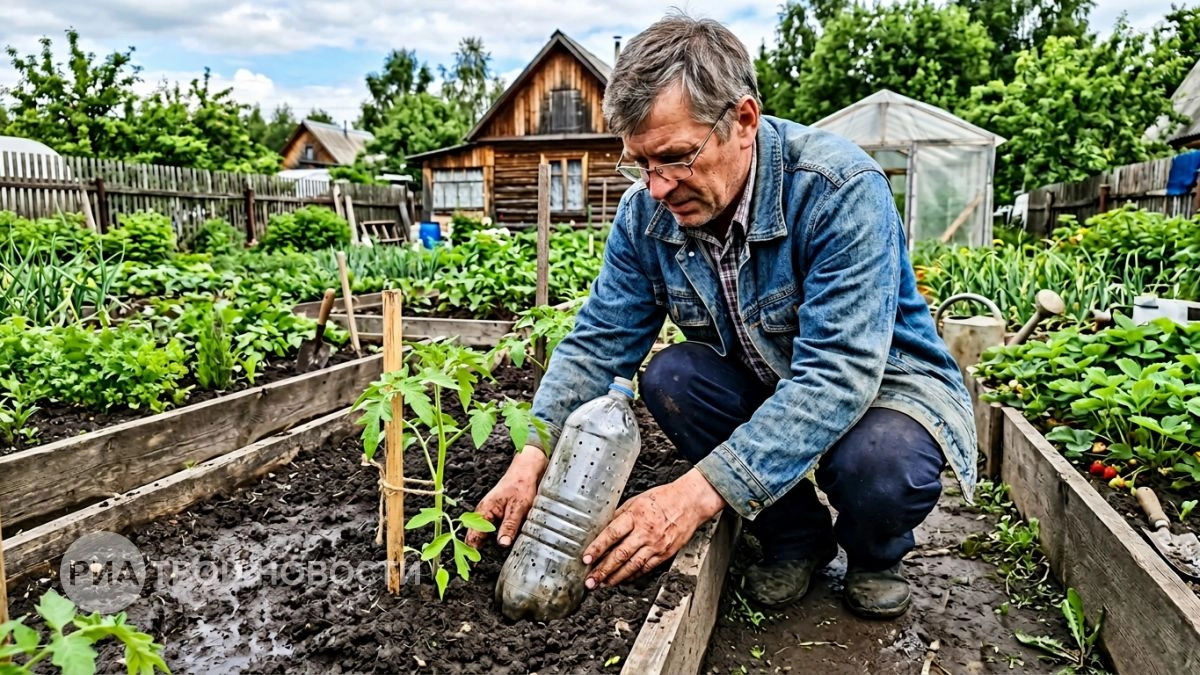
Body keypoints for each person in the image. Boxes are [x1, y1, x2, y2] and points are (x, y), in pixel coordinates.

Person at [464, 12, 978, 620]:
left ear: (744, 121)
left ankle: (874, 553)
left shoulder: (838, 189)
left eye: (675, 158)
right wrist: (533, 454)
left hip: (884, 387)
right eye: (640, 164)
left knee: (880, 464)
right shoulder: (645, 214)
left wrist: (691, 497)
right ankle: (796, 536)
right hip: (767, 378)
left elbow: (838, 375)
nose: (657, 187)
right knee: (673, 377)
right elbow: (599, 342)